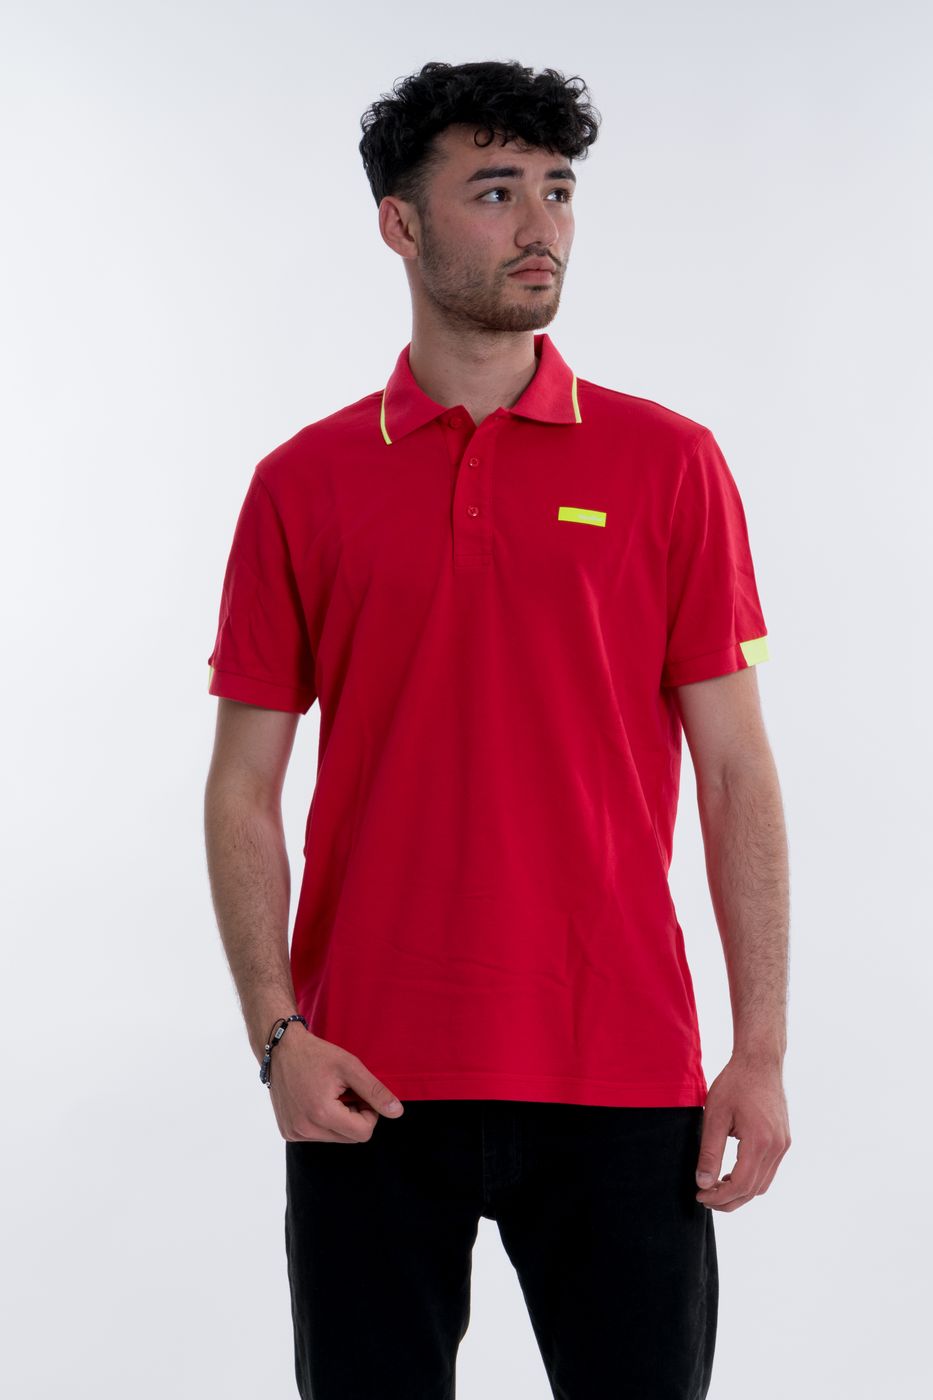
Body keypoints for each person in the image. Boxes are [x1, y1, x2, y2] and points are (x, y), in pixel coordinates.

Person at [203, 58, 791, 1400]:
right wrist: (277, 1037)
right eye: (494, 191)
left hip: (621, 1069)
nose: (541, 226)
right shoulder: (301, 484)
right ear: (399, 224)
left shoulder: (669, 463)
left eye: (558, 190)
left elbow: (736, 771)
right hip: (365, 1081)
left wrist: (757, 1051)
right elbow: (241, 788)